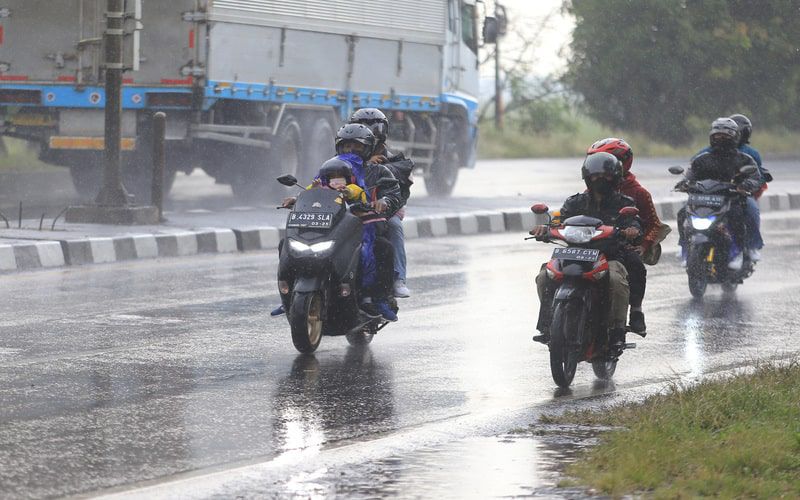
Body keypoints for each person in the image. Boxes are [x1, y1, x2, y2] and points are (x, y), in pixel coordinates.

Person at [530, 152, 642, 355]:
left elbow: (634, 223)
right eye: (595, 176)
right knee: (543, 276)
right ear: (587, 177)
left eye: (606, 176)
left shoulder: (624, 203)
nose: (600, 180)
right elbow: (558, 221)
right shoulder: (574, 202)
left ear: (616, 177)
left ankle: (617, 331)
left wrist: (631, 230)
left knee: (617, 281)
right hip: (573, 254)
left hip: (610, 256)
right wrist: (545, 229)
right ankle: (547, 324)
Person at [586, 138, 667, 334]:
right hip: (592, 247)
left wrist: (643, 244)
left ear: (622, 164)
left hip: (622, 246)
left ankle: (636, 311)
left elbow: (654, 224)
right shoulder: (586, 193)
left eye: (606, 162)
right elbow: (571, 217)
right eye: (595, 163)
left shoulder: (637, 193)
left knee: (635, 264)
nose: (599, 171)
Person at [677, 118, 761, 270]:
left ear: (735, 137)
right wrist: (684, 184)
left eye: (725, 136)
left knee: (740, 214)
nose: (721, 139)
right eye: (717, 136)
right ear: (711, 137)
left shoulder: (744, 159)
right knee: (682, 213)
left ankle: (738, 251)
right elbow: (691, 174)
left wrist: (745, 186)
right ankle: (684, 249)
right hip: (704, 199)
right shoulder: (702, 159)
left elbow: (755, 177)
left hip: (732, 200)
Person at [349, 108, 414, 298]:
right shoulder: (343, 157)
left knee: (394, 226)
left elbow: (399, 183)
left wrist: (382, 202)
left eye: (374, 128)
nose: (369, 133)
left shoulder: (395, 160)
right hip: (349, 209)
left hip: (382, 212)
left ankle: (398, 279)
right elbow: (325, 178)